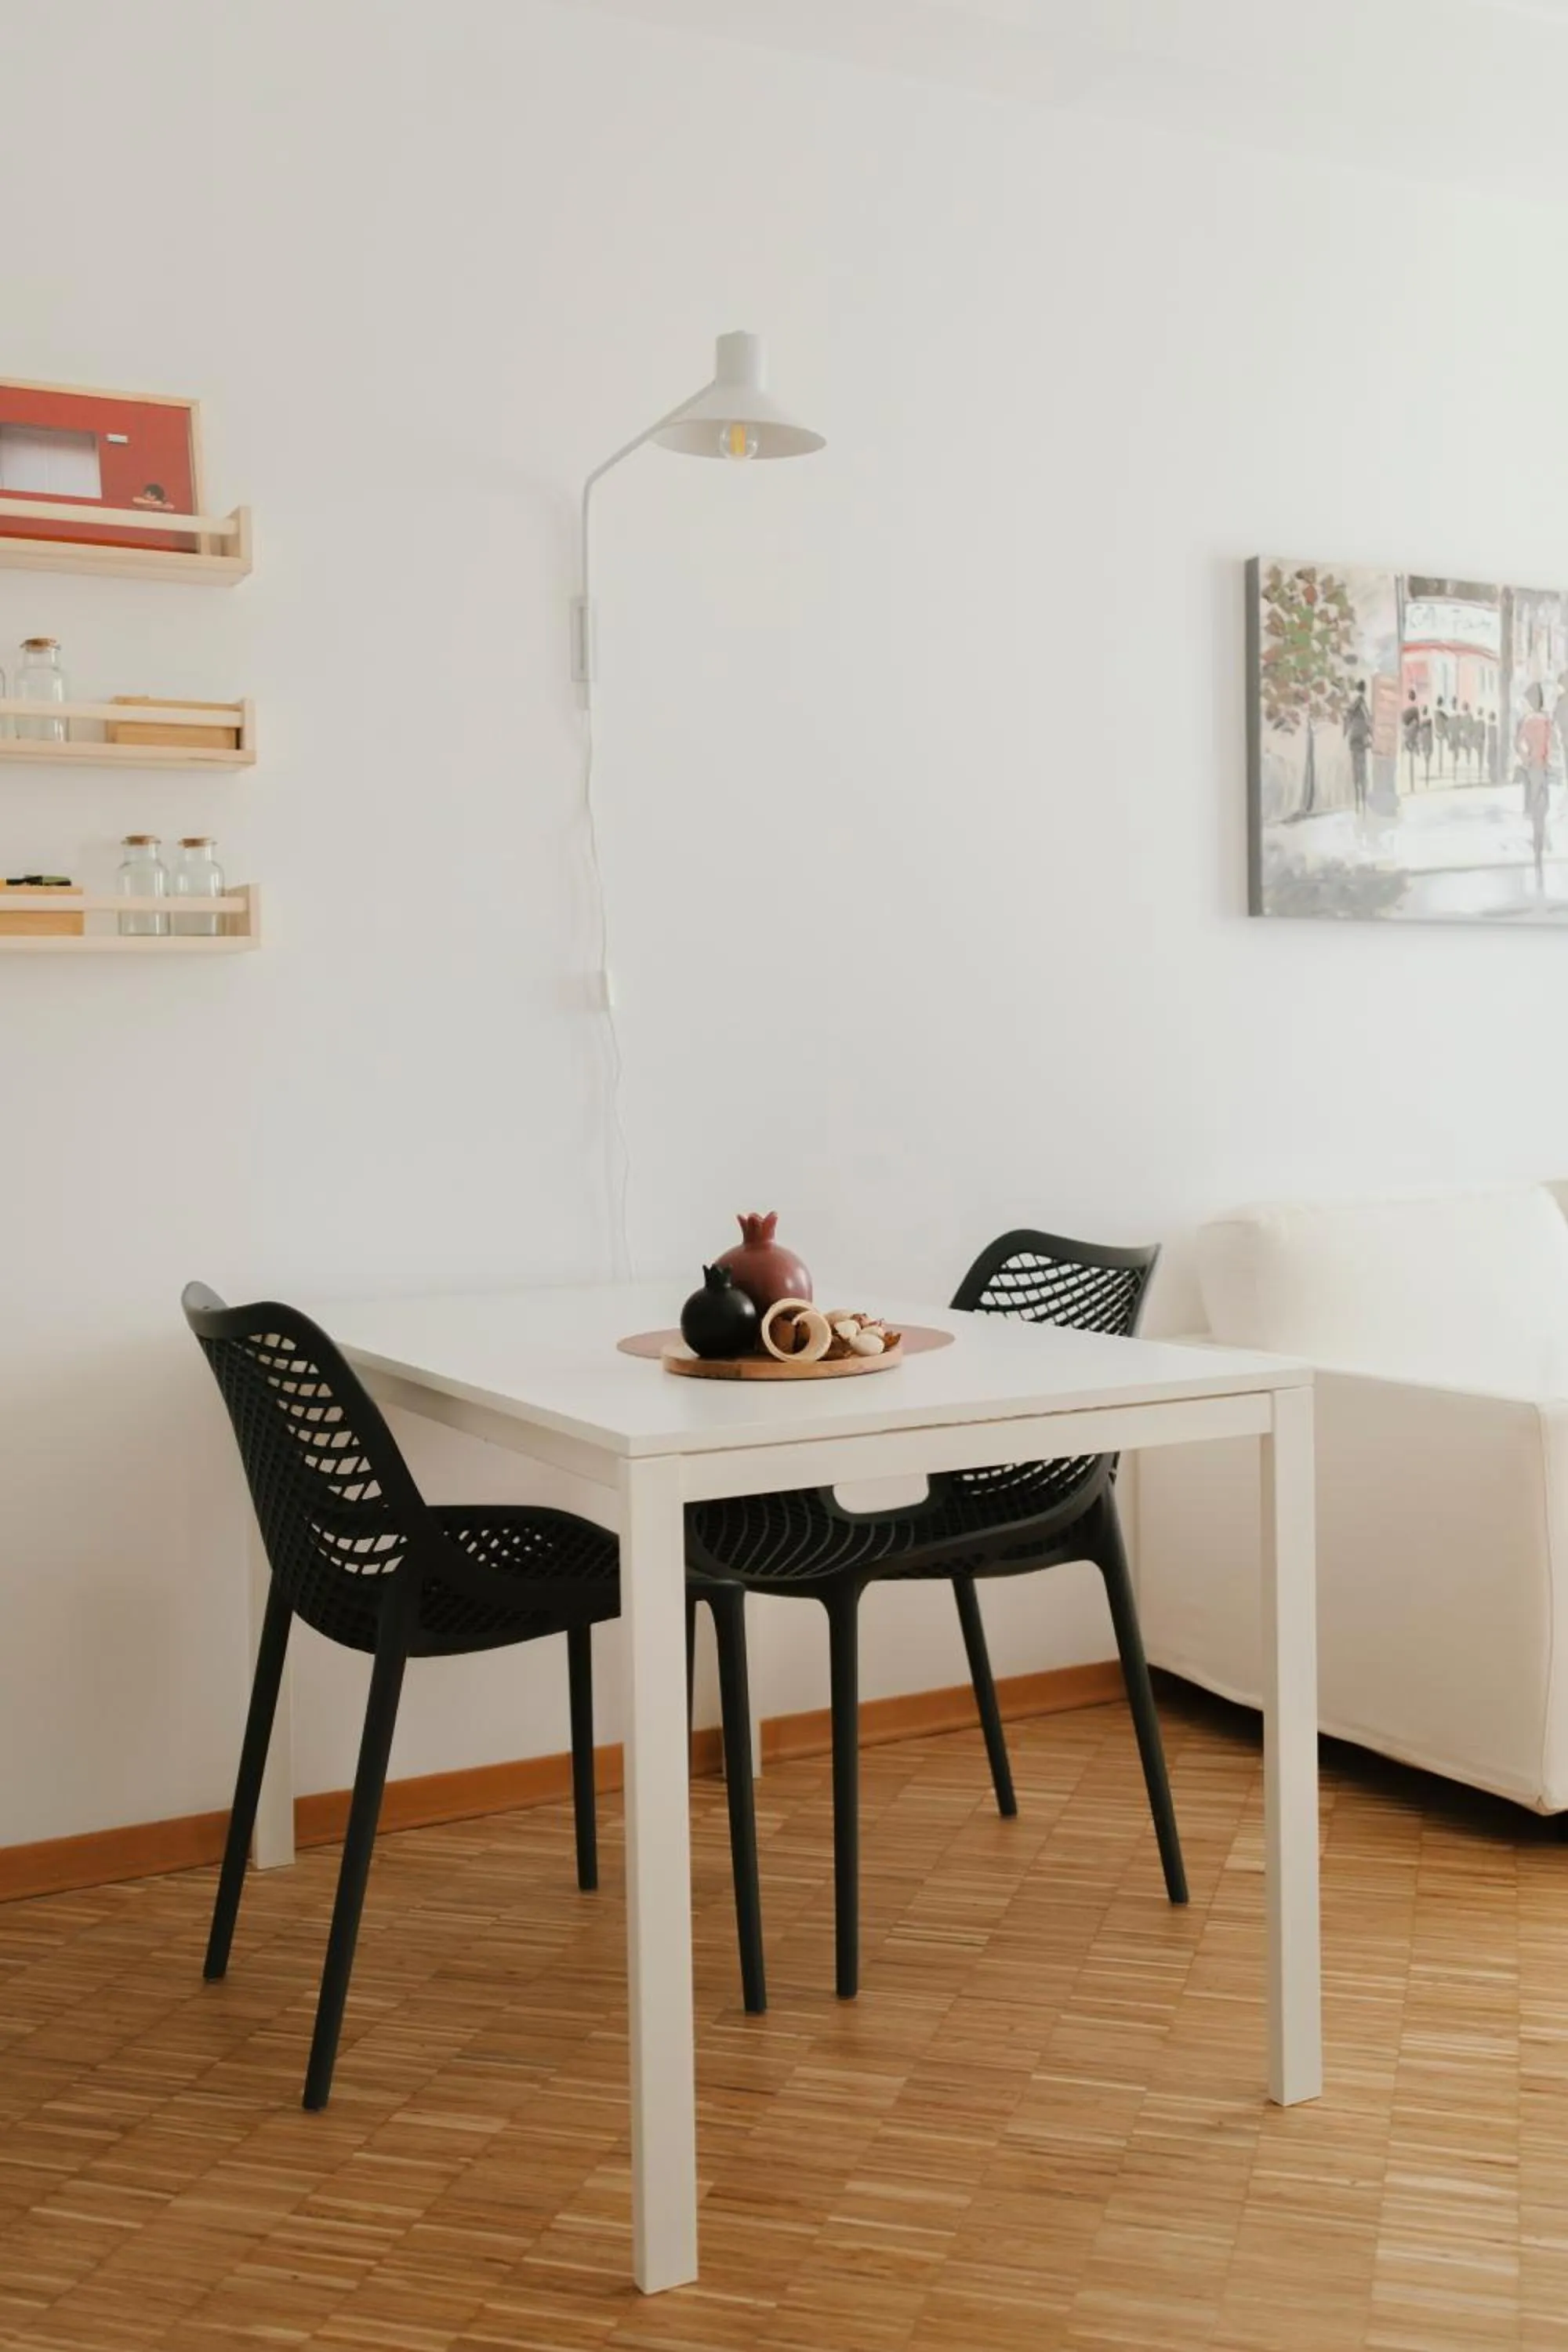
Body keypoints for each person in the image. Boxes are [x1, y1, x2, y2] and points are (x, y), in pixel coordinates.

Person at [1518, 681, 1553, 891]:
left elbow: (1519, 743)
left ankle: (1537, 837)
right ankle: (1540, 837)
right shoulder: (1546, 720)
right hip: (1544, 766)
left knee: (1532, 800)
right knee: (1543, 803)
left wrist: (1525, 757)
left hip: (1532, 766)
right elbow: (1552, 744)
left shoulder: (1528, 721)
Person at [1343, 679, 1372, 814]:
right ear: (1364, 689)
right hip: (1361, 739)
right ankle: (1363, 801)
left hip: (1353, 739)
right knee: (1362, 768)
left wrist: (1345, 733)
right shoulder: (1362, 703)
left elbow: (1347, 719)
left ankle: (1357, 802)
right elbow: (1368, 720)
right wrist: (1372, 735)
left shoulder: (1351, 704)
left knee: (1355, 768)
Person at [1402, 688, 1421, 790]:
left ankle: (1410, 784)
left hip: (1406, 735)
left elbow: (1403, 721)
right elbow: (1418, 723)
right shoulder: (1416, 709)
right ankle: (1412, 785)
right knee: (1412, 759)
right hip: (1413, 736)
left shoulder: (1405, 708)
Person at [1435, 696, 1450, 779]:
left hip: (1437, 734)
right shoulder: (1441, 713)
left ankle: (1440, 770)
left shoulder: (1435, 712)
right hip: (1442, 734)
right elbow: (1447, 721)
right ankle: (1440, 771)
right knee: (1441, 754)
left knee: (1439, 753)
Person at [1419, 703, 1434, 789]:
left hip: (1425, 740)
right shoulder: (1429, 720)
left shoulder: (1422, 721)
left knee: (1426, 757)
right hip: (1427, 740)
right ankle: (1427, 779)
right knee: (1427, 758)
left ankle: (1427, 779)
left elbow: (1420, 731)